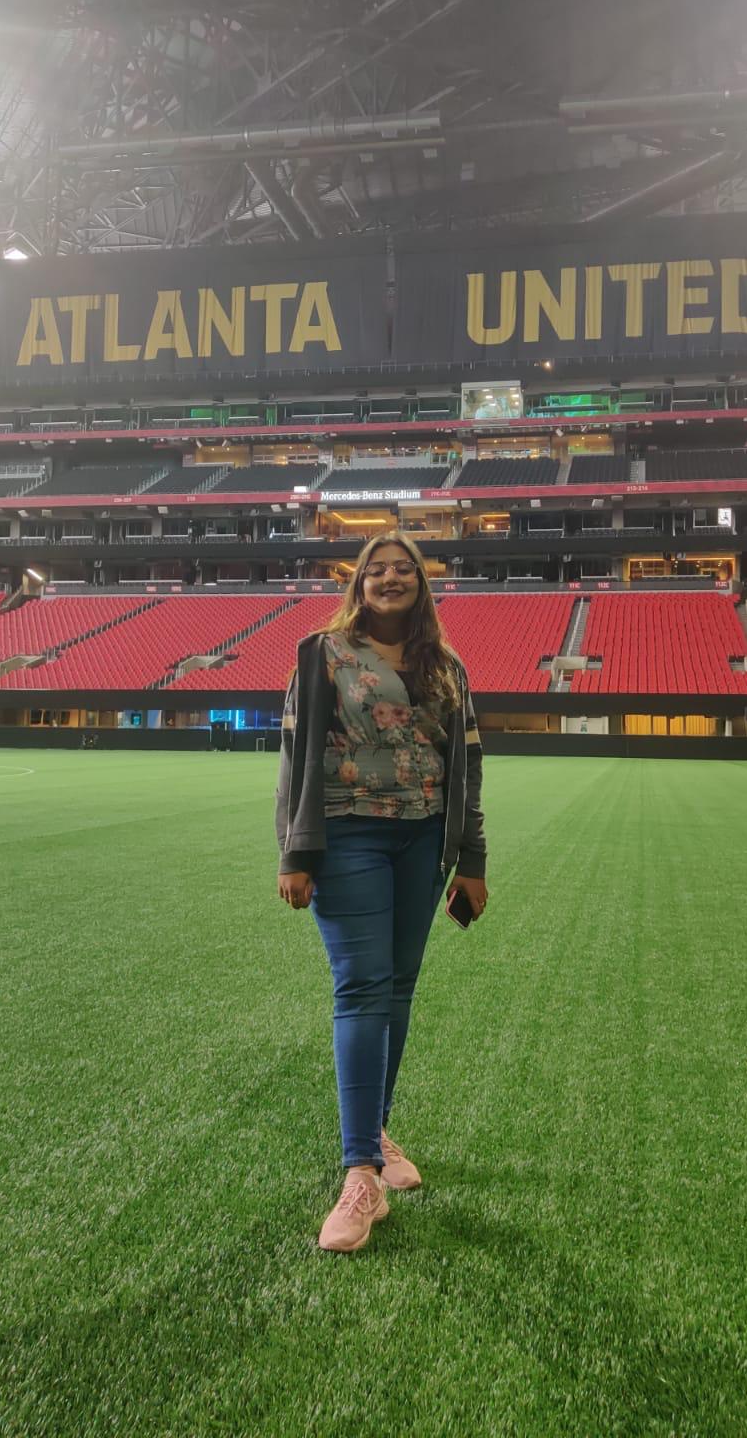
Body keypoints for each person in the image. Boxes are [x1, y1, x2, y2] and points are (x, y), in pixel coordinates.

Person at [275, 530, 488, 1253]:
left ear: (422, 586)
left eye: (404, 570)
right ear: (358, 583)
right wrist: (294, 850)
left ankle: (374, 1131)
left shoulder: (446, 667)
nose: (390, 578)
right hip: (347, 835)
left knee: (396, 988)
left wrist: (471, 859)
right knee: (363, 987)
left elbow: (467, 768)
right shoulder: (322, 654)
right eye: (377, 570)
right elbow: (295, 756)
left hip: (423, 839)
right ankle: (360, 1173)